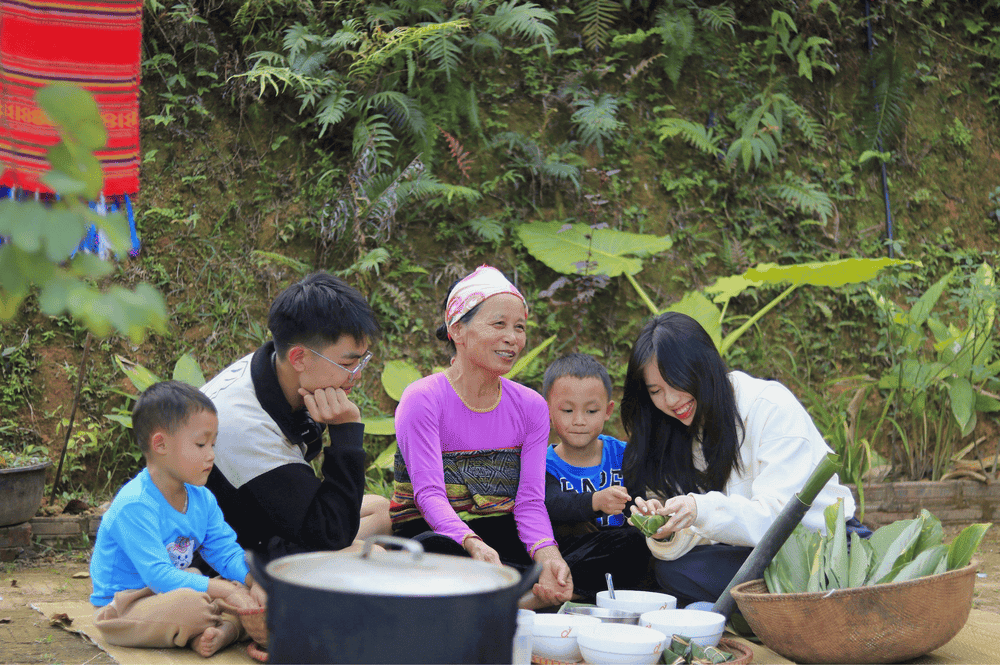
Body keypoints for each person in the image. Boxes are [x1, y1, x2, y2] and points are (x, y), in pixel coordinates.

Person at [621, 312, 864, 607]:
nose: (670, 400)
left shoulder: (770, 406)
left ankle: (786, 605)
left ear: (704, 366)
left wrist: (700, 508)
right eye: (656, 391)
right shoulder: (679, 430)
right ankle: (774, 606)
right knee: (673, 571)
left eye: (677, 382)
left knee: (691, 578)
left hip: (822, 548)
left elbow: (780, 520)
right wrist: (668, 527)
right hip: (757, 555)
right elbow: (712, 531)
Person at [390, 265, 574, 609]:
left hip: (498, 535)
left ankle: (513, 594)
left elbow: (530, 502)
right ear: (457, 329)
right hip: (440, 535)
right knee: (436, 551)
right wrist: (470, 542)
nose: (513, 338)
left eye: (520, 327)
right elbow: (429, 495)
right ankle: (519, 598)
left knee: (619, 545)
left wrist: (548, 556)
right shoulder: (423, 399)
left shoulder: (531, 406)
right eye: (499, 324)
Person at [202, 271, 390, 562]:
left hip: (263, 520)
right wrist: (346, 432)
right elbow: (331, 533)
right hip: (222, 554)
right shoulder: (246, 426)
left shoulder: (275, 369)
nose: (357, 375)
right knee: (371, 556)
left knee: (381, 511)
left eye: (361, 361)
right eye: (348, 364)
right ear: (299, 358)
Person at [90, 381, 266, 657]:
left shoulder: (202, 498)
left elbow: (226, 552)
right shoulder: (135, 505)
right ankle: (218, 626)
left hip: (176, 590)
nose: (211, 455)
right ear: (160, 444)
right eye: (201, 444)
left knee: (254, 593)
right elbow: (159, 577)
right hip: (126, 607)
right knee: (195, 607)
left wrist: (254, 581)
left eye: (213, 444)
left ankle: (220, 633)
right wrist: (224, 591)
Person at [542, 353, 655, 600]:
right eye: (567, 410)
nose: (579, 421)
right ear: (548, 410)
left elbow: (636, 507)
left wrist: (647, 512)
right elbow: (551, 504)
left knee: (638, 542)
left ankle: (564, 593)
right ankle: (567, 589)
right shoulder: (543, 463)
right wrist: (595, 501)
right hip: (570, 552)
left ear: (608, 411)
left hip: (618, 550)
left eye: (591, 411)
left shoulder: (624, 455)